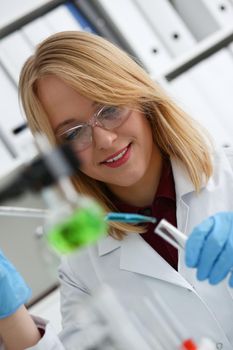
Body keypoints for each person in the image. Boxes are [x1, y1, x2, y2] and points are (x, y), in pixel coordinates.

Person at [0, 30, 233, 349]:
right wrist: (10, 314)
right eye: (73, 134)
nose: (105, 140)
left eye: (109, 109)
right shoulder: (82, 269)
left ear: (141, 97)